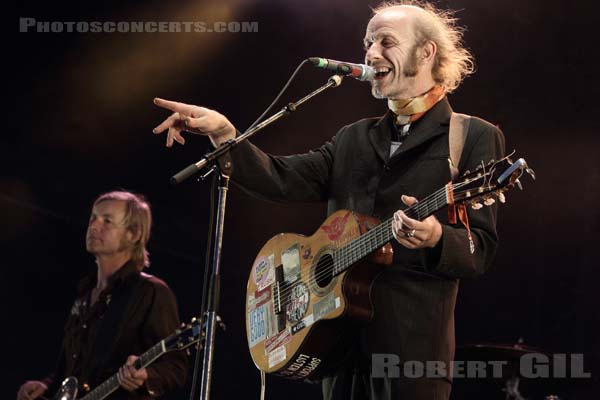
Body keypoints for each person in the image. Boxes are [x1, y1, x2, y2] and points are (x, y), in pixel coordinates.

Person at [152, 1, 505, 399]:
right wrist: (225, 136)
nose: (371, 53)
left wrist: (437, 236)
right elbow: (280, 179)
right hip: (334, 349)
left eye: (386, 42)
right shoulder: (354, 136)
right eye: (368, 42)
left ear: (426, 53)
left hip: (410, 357)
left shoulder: (470, 137)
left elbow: (480, 249)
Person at [17, 191, 187, 400]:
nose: (94, 226)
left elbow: (176, 366)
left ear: (133, 234)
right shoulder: (85, 295)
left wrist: (146, 376)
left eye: (107, 221)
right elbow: (71, 371)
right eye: (93, 218)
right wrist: (46, 385)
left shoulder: (150, 292)